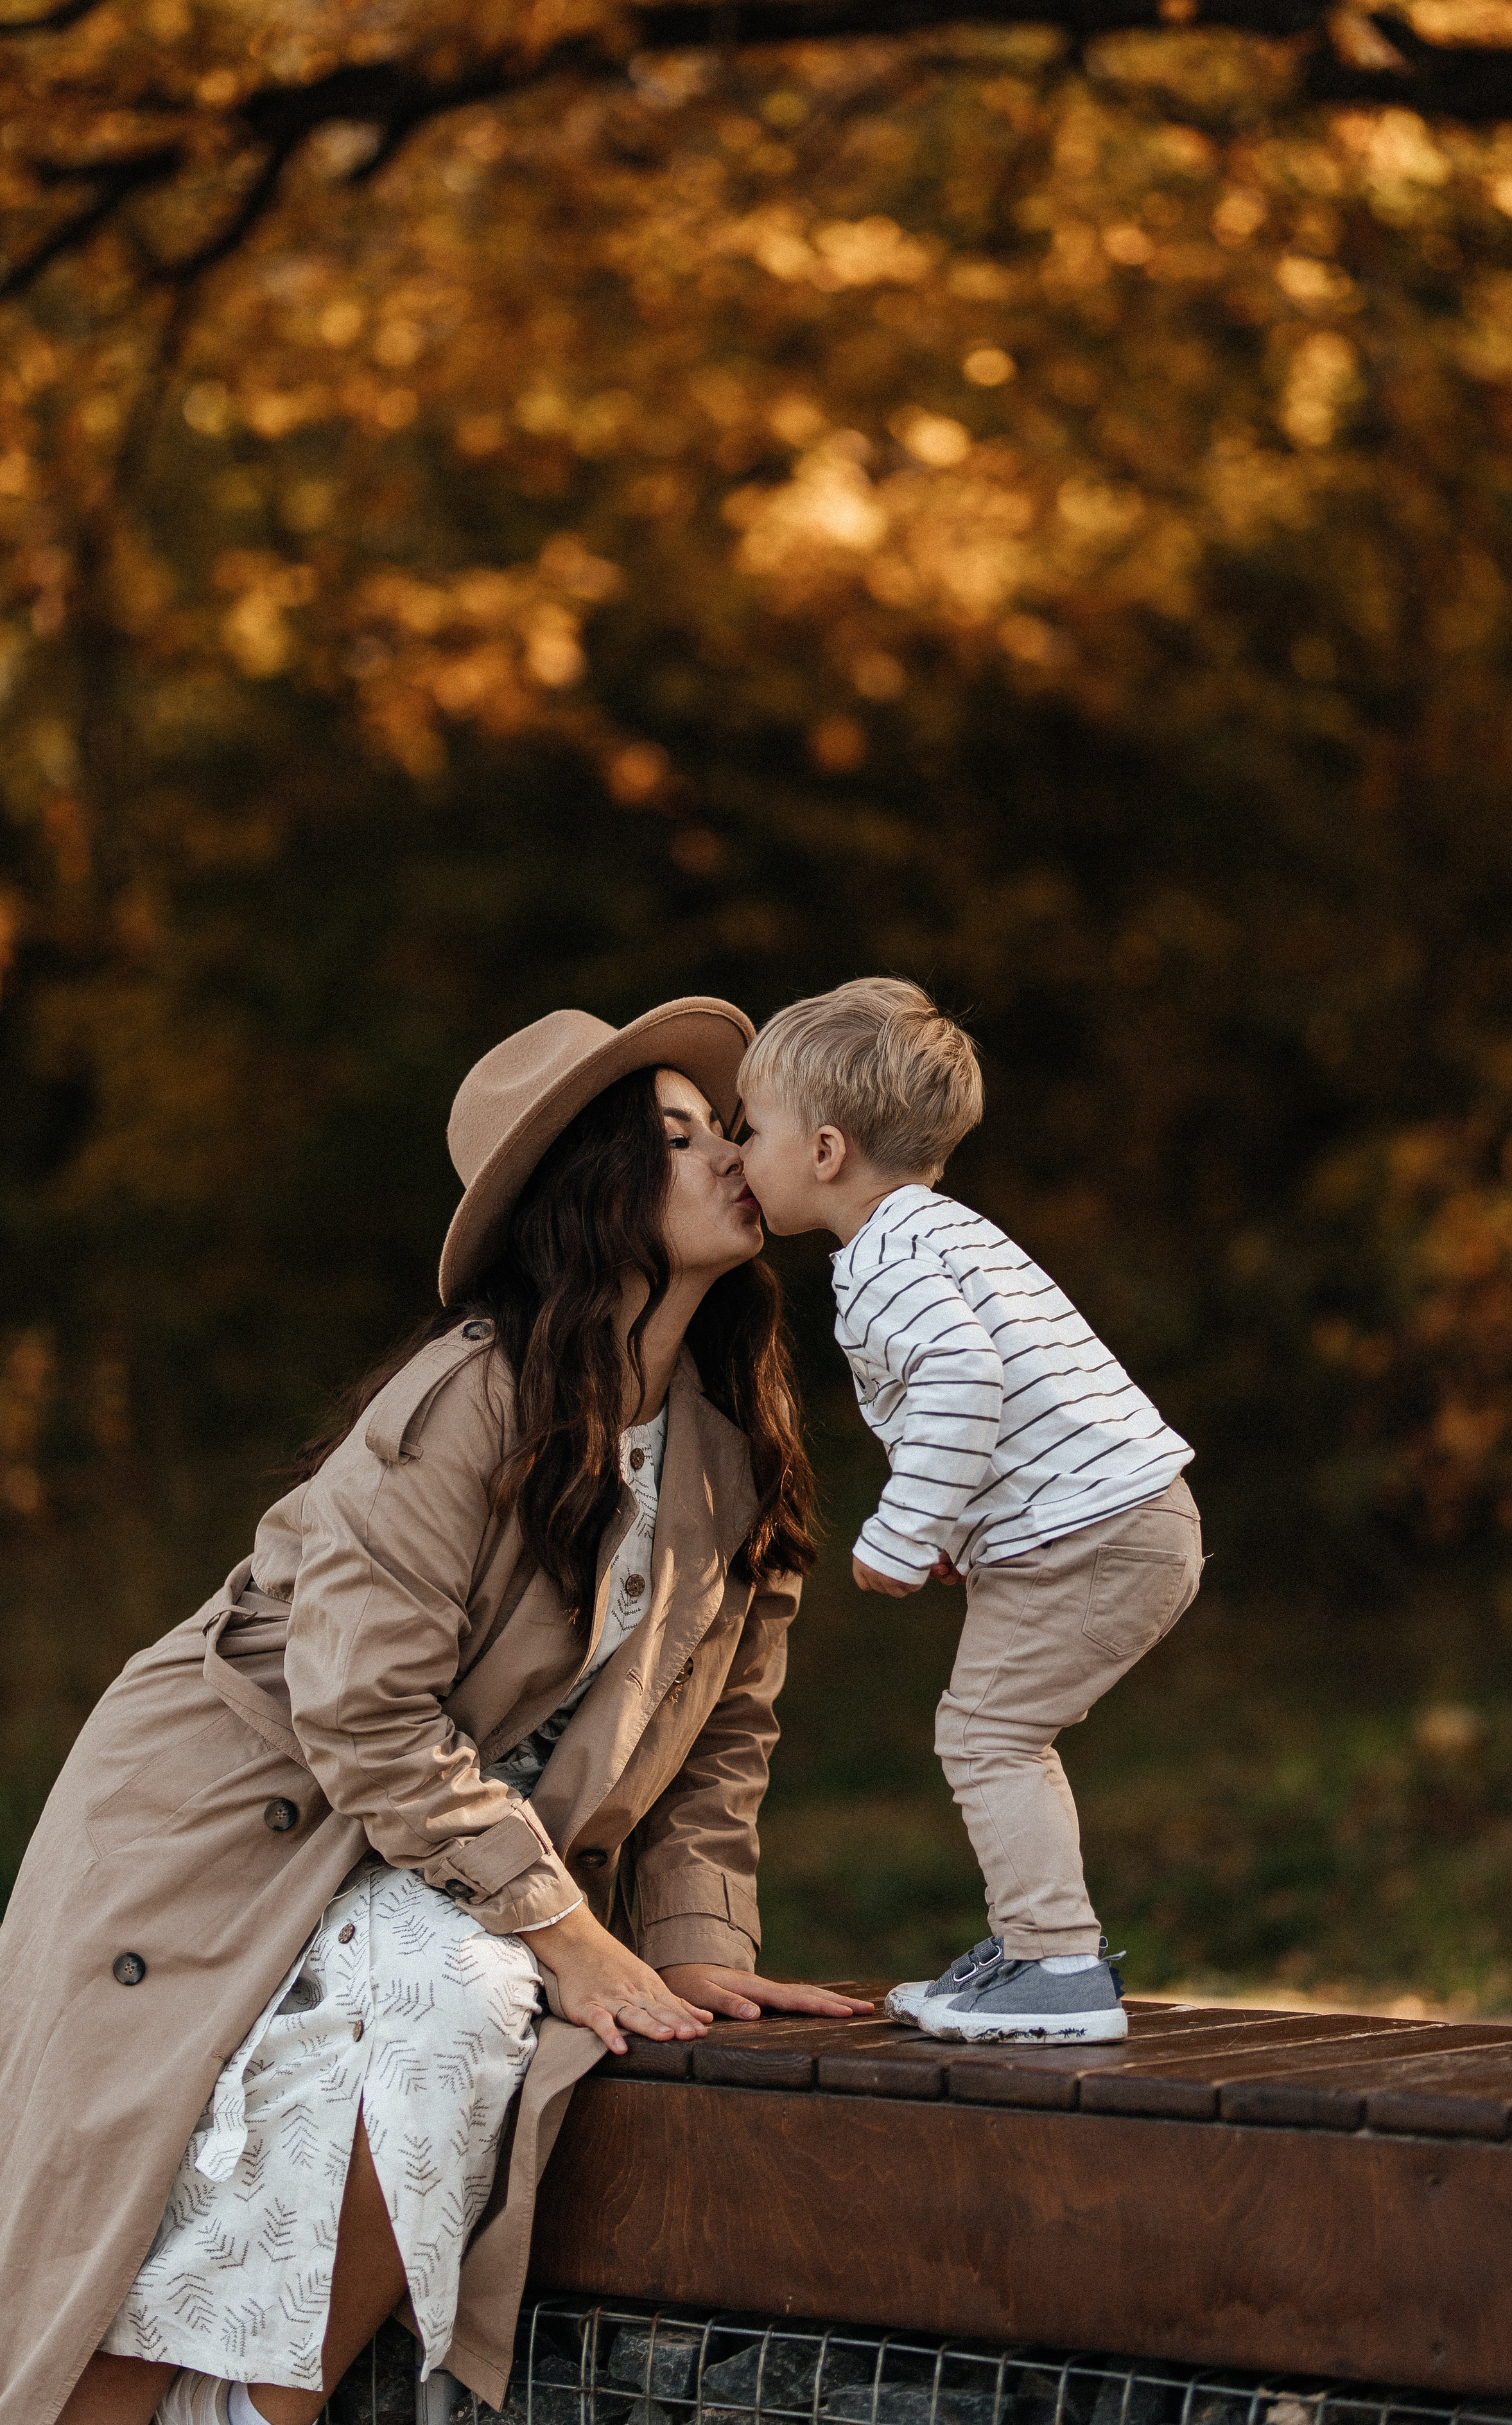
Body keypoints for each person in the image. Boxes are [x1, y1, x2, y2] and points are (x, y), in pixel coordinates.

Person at [0, 995, 869, 2425]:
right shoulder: (465, 1399)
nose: (729, 1151)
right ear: (588, 1192)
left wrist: (692, 1946)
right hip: (236, 1825)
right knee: (255, 2099)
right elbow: (363, 1717)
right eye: (676, 1136)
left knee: (455, 1999)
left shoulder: (733, 1451)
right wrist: (570, 1933)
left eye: (723, 1127)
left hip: (435, 1856)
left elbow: (722, 1743)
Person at [736, 977, 1201, 2049]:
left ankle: (1056, 1966)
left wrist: (904, 1532)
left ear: (824, 1151)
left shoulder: (883, 1261)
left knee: (988, 1734)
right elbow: (1005, 1400)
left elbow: (963, 1381)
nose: (738, 1152)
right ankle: (1037, 1948)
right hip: (1123, 1515)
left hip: (1094, 1531)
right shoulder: (942, 1232)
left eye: (751, 1129)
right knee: (1001, 1733)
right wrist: (961, 1525)